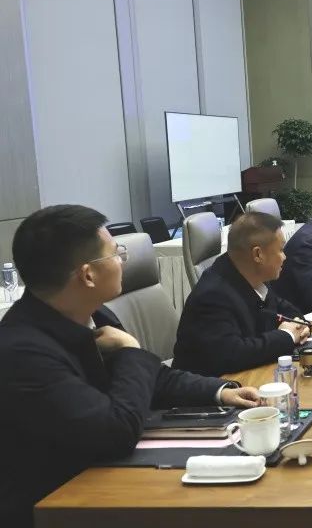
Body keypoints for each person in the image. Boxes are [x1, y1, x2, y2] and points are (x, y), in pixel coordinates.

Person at [0, 205, 260, 527]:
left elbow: (148, 378)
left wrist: (219, 391)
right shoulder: (23, 354)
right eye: (116, 253)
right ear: (88, 275)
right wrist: (130, 350)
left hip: (107, 481)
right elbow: (116, 430)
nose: (122, 260)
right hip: (61, 505)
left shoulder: (92, 313)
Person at [173, 212, 310, 377]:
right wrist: (287, 336)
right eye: (280, 250)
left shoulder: (251, 275)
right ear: (258, 254)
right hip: (210, 388)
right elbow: (233, 354)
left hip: (248, 377)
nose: (284, 257)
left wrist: (299, 325)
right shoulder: (212, 296)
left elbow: (282, 309)